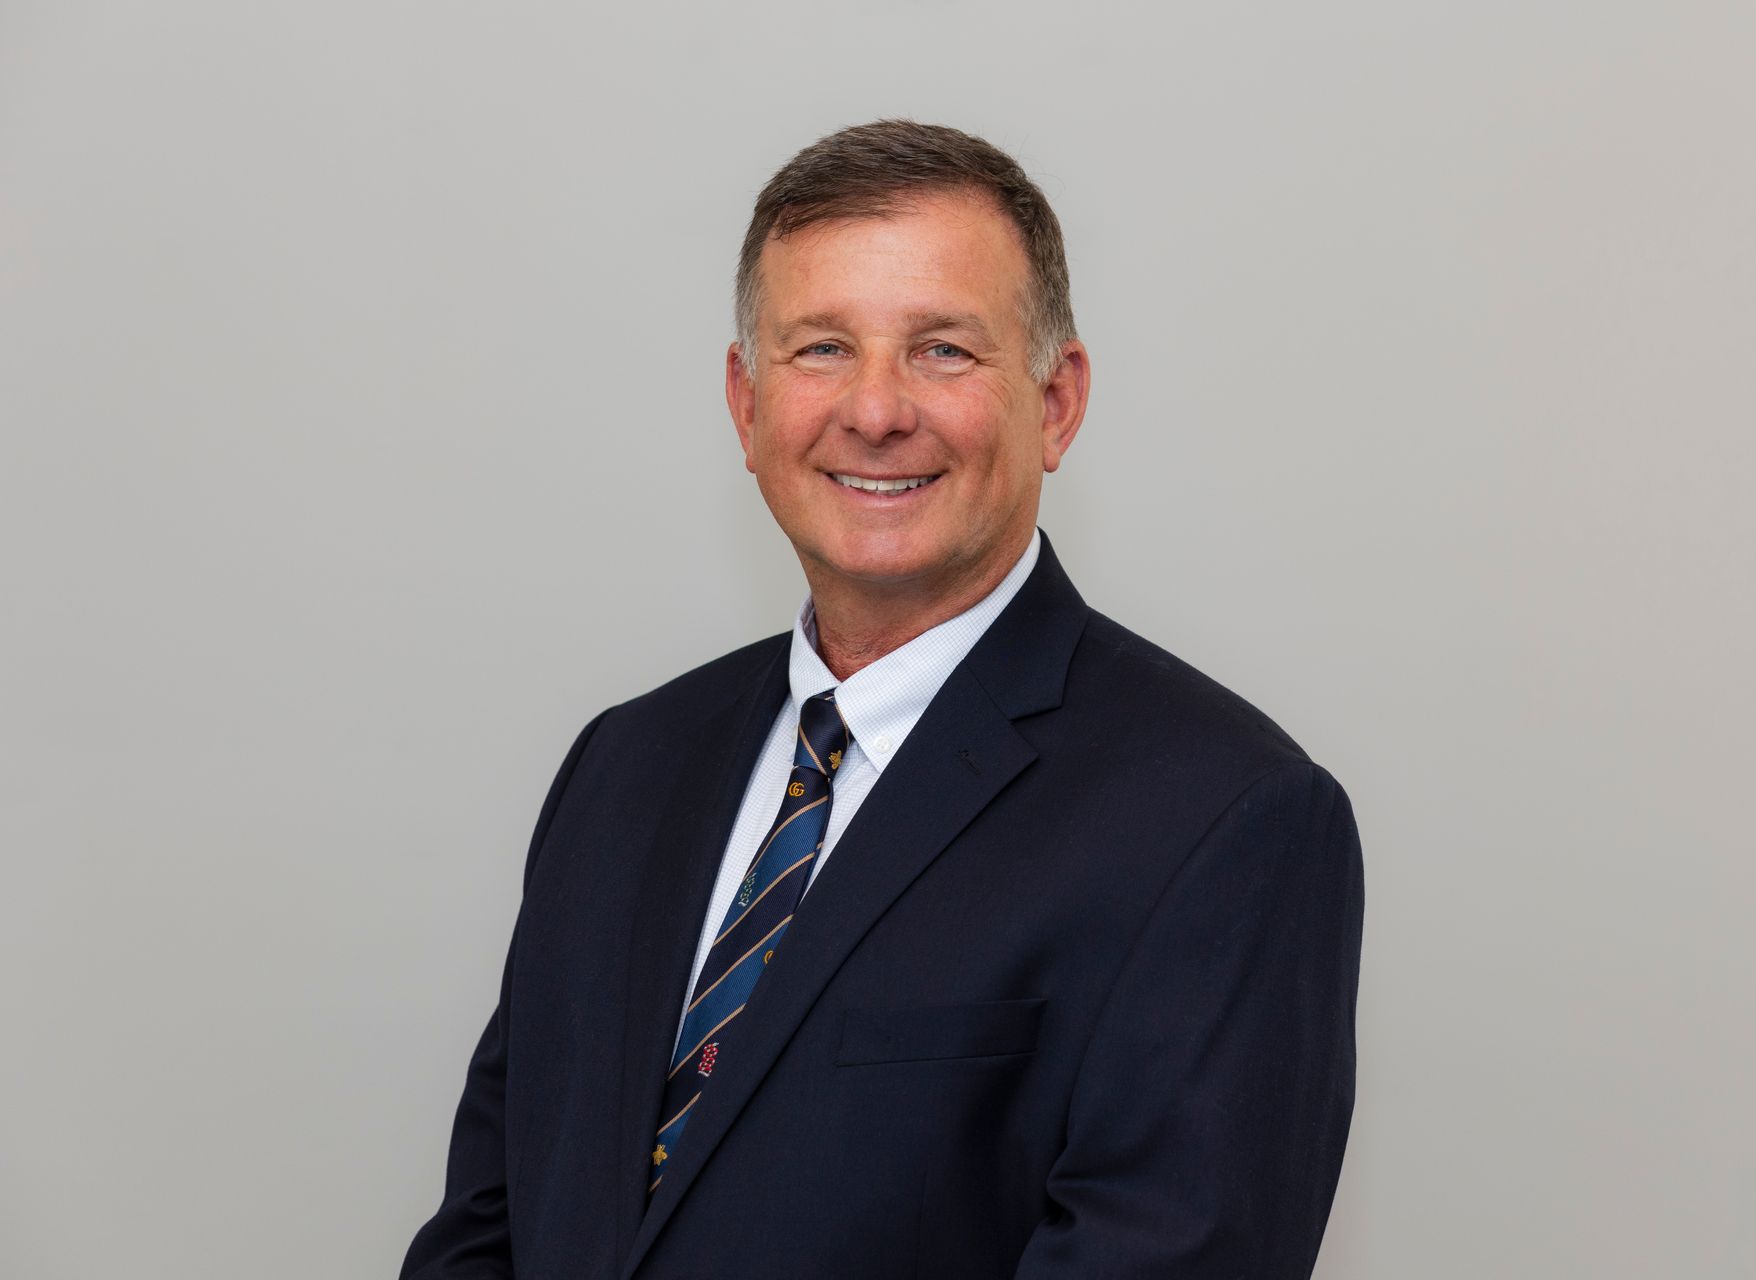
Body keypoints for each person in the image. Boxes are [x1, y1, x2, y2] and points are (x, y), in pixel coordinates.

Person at [400, 119, 1364, 1280]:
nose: (875, 409)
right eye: (820, 350)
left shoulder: (1225, 819)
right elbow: (486, 1229)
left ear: (1056, 402)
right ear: (745, 403)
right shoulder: (625, 765)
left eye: (943, 350)